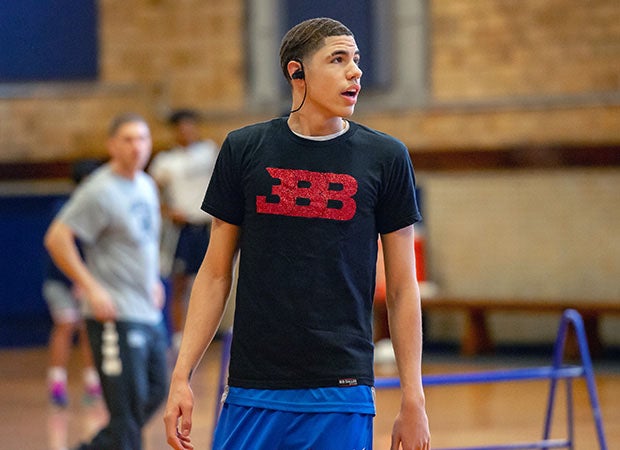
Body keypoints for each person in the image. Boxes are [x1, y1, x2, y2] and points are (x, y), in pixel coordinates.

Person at [164, 17, 431, 450]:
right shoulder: (244, 149)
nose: (355, 71)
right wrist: (181, 376)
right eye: (338, 59)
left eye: (356, 60)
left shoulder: (386, 157)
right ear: (297, 72)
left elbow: (402, 288)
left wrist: (413, 398)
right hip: (254, 385)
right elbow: (214, 274)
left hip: (342, 387)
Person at [44, 113, 169, 450]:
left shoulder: (144, 185)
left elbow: (143, 241)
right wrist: (92, 287)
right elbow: (57, 238)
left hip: (146, 309)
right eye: (128, 139)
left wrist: (154, 278)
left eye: (142, 139)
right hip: (115, 314)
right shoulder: (99, 190)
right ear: (112, 145)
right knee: (127, 414)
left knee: (158, 390)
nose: (136, 147)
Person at [148, 109, 219, 351]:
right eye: (181, 127)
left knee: (211, 280)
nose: (186, 131)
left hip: (208, 225)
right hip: (182, 228)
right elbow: (150, 192)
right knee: (180, 284)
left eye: (190, 126)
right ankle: (179, 337)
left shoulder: (209, 151)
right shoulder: (165, 161)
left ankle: (205, 334)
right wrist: (167, 211)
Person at [44, 159, 103, 407]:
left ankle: (93, 381)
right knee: (66, 323)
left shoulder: (101, 209)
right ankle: (56, 380)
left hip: (89, 282)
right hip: (60, 281)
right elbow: (58, 248)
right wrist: (76, 279)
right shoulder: (63, 208)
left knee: (88, 329)